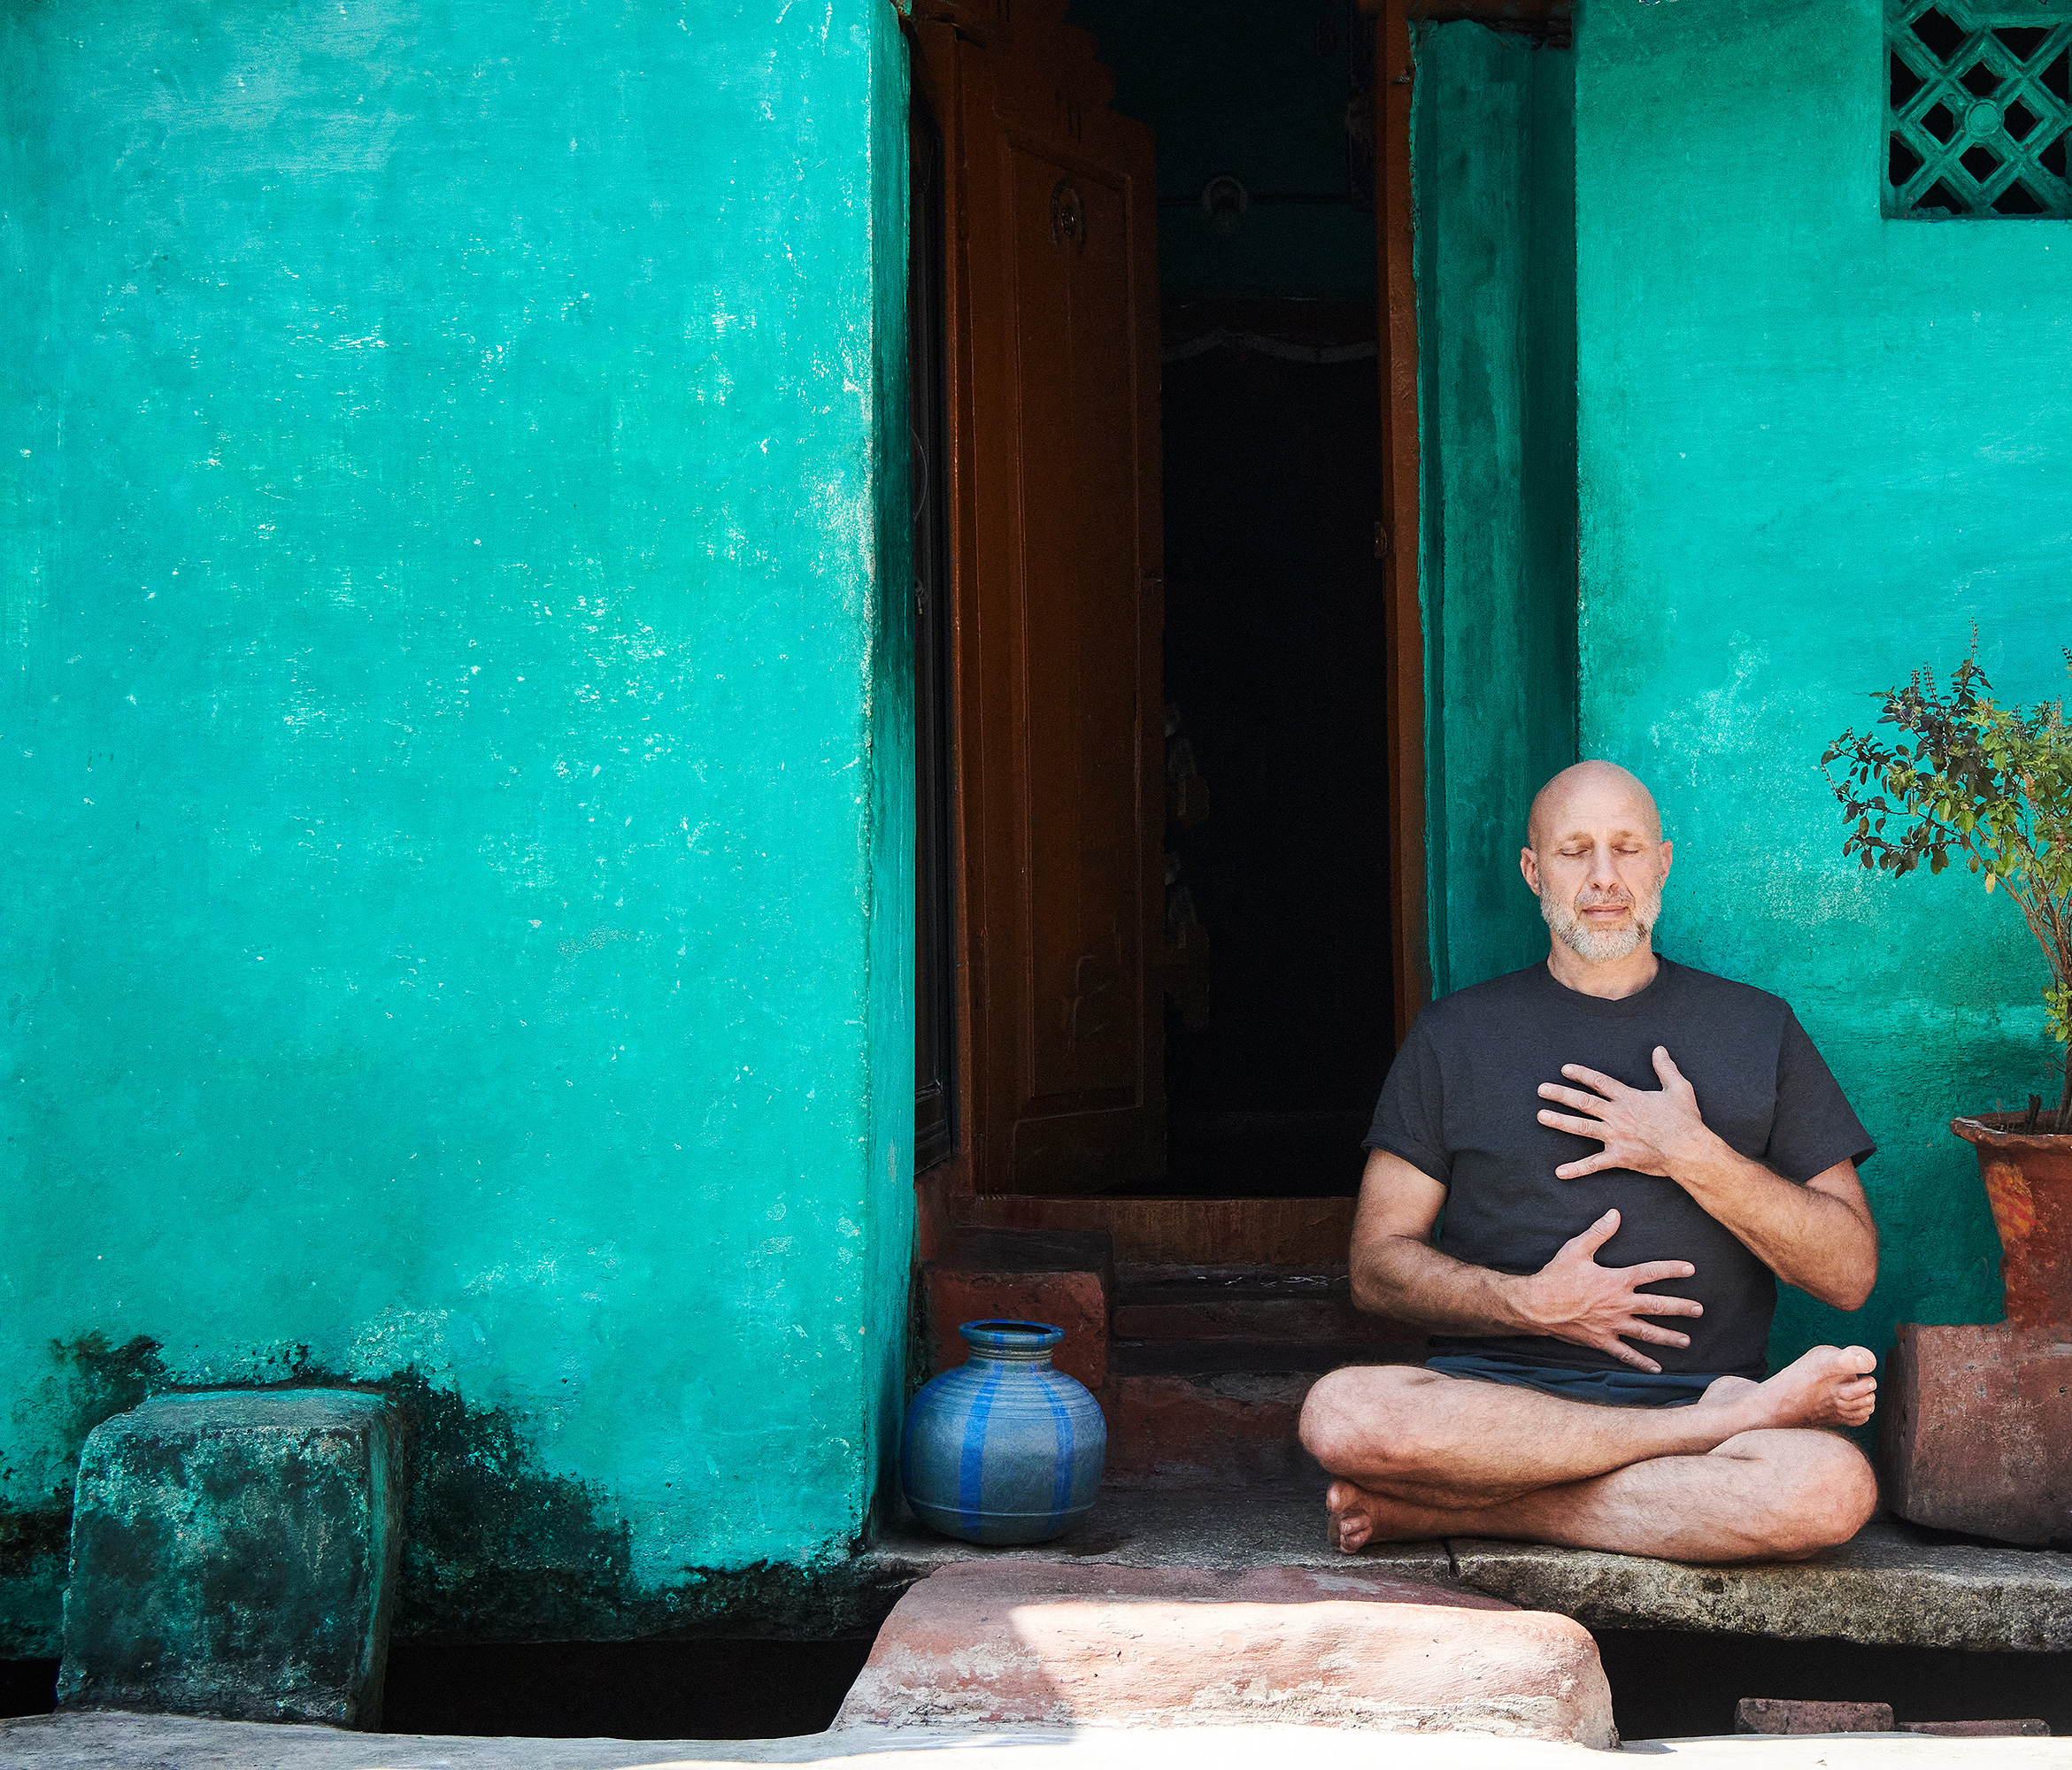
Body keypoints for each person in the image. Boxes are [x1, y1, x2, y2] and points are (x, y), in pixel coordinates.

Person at [1300, 761, 1882, 1564]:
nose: (1604, 877)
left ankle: (1458, 1512)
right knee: (1343, 1413)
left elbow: (1848, 1272)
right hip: (1491, 1410)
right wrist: (1530, 1304)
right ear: (1533, 870)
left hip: (1699, 1389)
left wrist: (1689, 1153)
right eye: (1575, 851)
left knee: (1829, 1489)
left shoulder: (1757, 1028)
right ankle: (1709, 1435)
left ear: (1663, 862)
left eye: (1627, 848)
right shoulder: (1452, 1036)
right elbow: (1376, 1265)